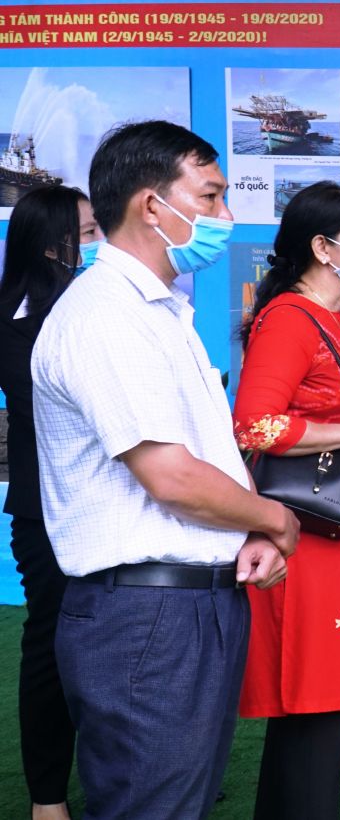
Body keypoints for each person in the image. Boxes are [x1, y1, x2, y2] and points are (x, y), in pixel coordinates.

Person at [31, 120, 299, 818]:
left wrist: (246, 532)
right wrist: (275, 518)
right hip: (148, 614)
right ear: (153, 205)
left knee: (178, 801)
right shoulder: (106, 316)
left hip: (189, 601)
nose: (227, 217)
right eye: (210, 197)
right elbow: (172, 476)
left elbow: (203, 461)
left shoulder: (159, 313)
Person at [232, 182, 340, 819]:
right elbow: (255, 426)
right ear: (322, 247)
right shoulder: (290, 319)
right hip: (309, 539)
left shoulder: (329, 318)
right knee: (313, 706)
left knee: (322, 709)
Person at [0, 185, 100, 820]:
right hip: (48, 513)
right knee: (52, 646)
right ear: (51, 244)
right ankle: (48, 800)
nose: (100, 243)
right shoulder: (22, 324)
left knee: (120, 642)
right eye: (88, 233)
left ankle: (140, 768)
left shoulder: (104, 308)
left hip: (117, 509)